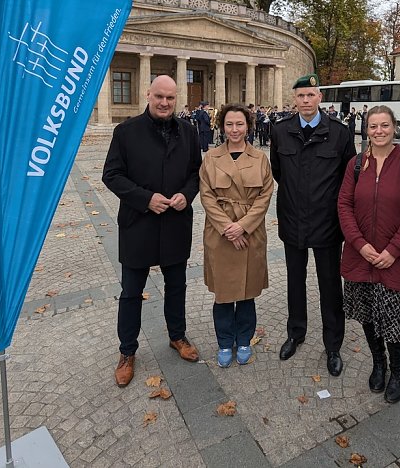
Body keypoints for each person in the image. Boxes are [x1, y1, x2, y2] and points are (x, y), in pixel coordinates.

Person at [102, 75, 202, 388]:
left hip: (175, 223)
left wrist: (187, 193)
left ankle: (177, 335)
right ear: (148, 95)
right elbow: (112, 175)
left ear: (177, 99)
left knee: (177, 285)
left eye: (170, 98)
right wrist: (145, 199)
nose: (164, 103)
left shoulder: (188, 130)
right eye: (159, 96)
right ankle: (127, 351)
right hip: (139, 224)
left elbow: (196, 173)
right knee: (131, 292)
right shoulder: (126, 131)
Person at [337, 106, 400, 403]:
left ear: (394, 127)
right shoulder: (355, 164)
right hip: (360, 256)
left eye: (384, 125)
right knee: (367, 314)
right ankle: (379, 363)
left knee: (394, 317)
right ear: (366, 129)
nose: (378, 131)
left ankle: (398, 371)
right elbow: (344, 207)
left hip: (395, 259)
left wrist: (393, 250)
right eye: (373, 126)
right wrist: (360, 244)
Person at [270, 74, 356, 376]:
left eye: (311, 95)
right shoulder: (280, 131)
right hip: (292, 219)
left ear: (320, 97)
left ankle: (333, 343)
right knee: (295, 279)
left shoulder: (339, 133)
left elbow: (349, 178)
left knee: (330, 284)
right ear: (295, 99)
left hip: (327, 224)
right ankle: (296, 332)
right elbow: (277, 171)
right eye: (301, 96)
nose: (306, 101)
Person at [199, 103, 274, 367]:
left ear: (248, 126)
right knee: (223, 293)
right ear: (222, 126)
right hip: (220, 235)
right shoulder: (211, 158)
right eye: (229, 124)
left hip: (250, 233)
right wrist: (228, 229)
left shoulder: (260, 158)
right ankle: (223, 341)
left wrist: (243, 226)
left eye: (239, 124)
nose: (234, 129)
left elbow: (265, 196)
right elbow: (206, 196)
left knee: (246, 292)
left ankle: (243, 339)